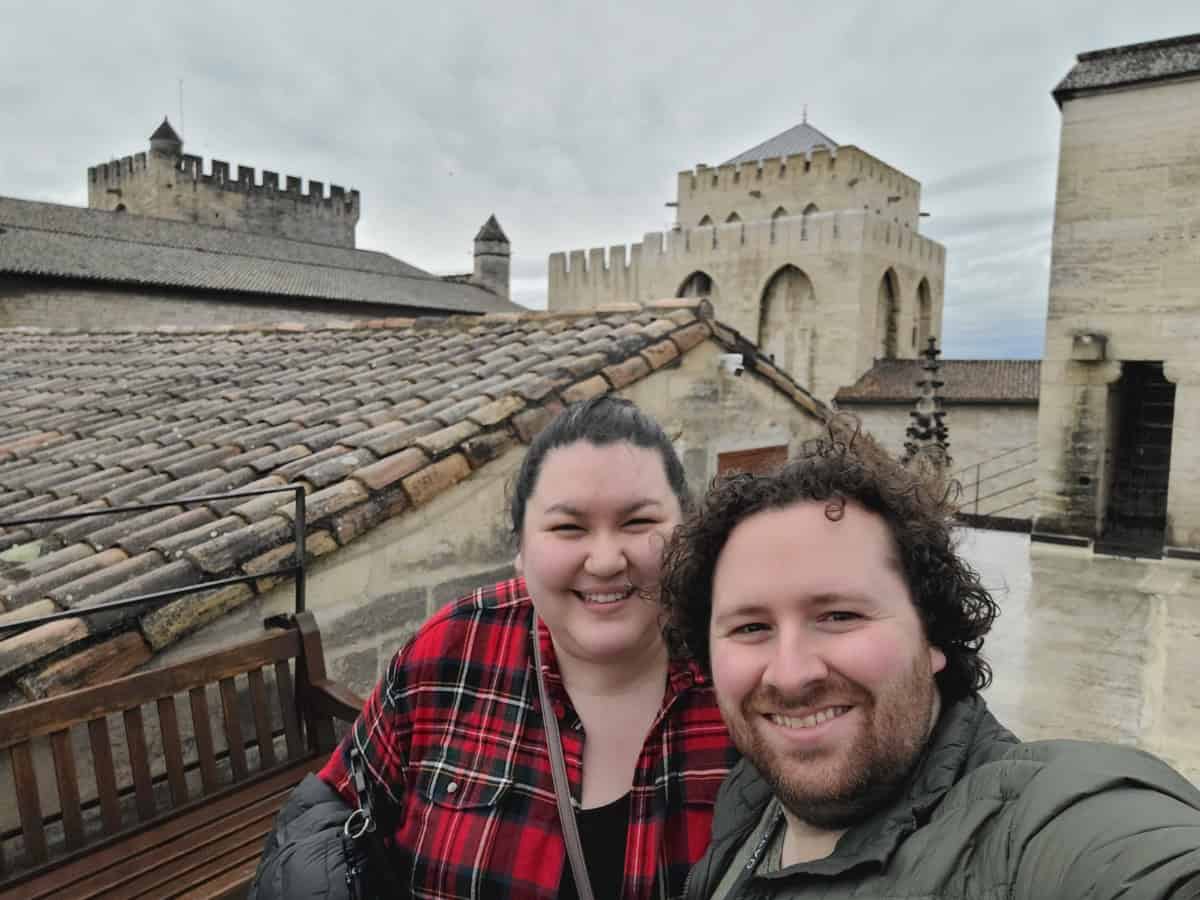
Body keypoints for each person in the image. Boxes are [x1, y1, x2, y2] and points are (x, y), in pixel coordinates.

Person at [658, 421, 1200, 900]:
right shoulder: (751, 796)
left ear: (933, 634)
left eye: (840, 616)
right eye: (751, 627)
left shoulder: (1037, 827)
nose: (792, 673)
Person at [250, 396, 737, 900]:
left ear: (686, 534)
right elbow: (341, 799)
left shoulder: (743, 671)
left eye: (638, 523)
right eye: (568, 527)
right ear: (521, 551)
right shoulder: (450, 651)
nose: (607, 560)